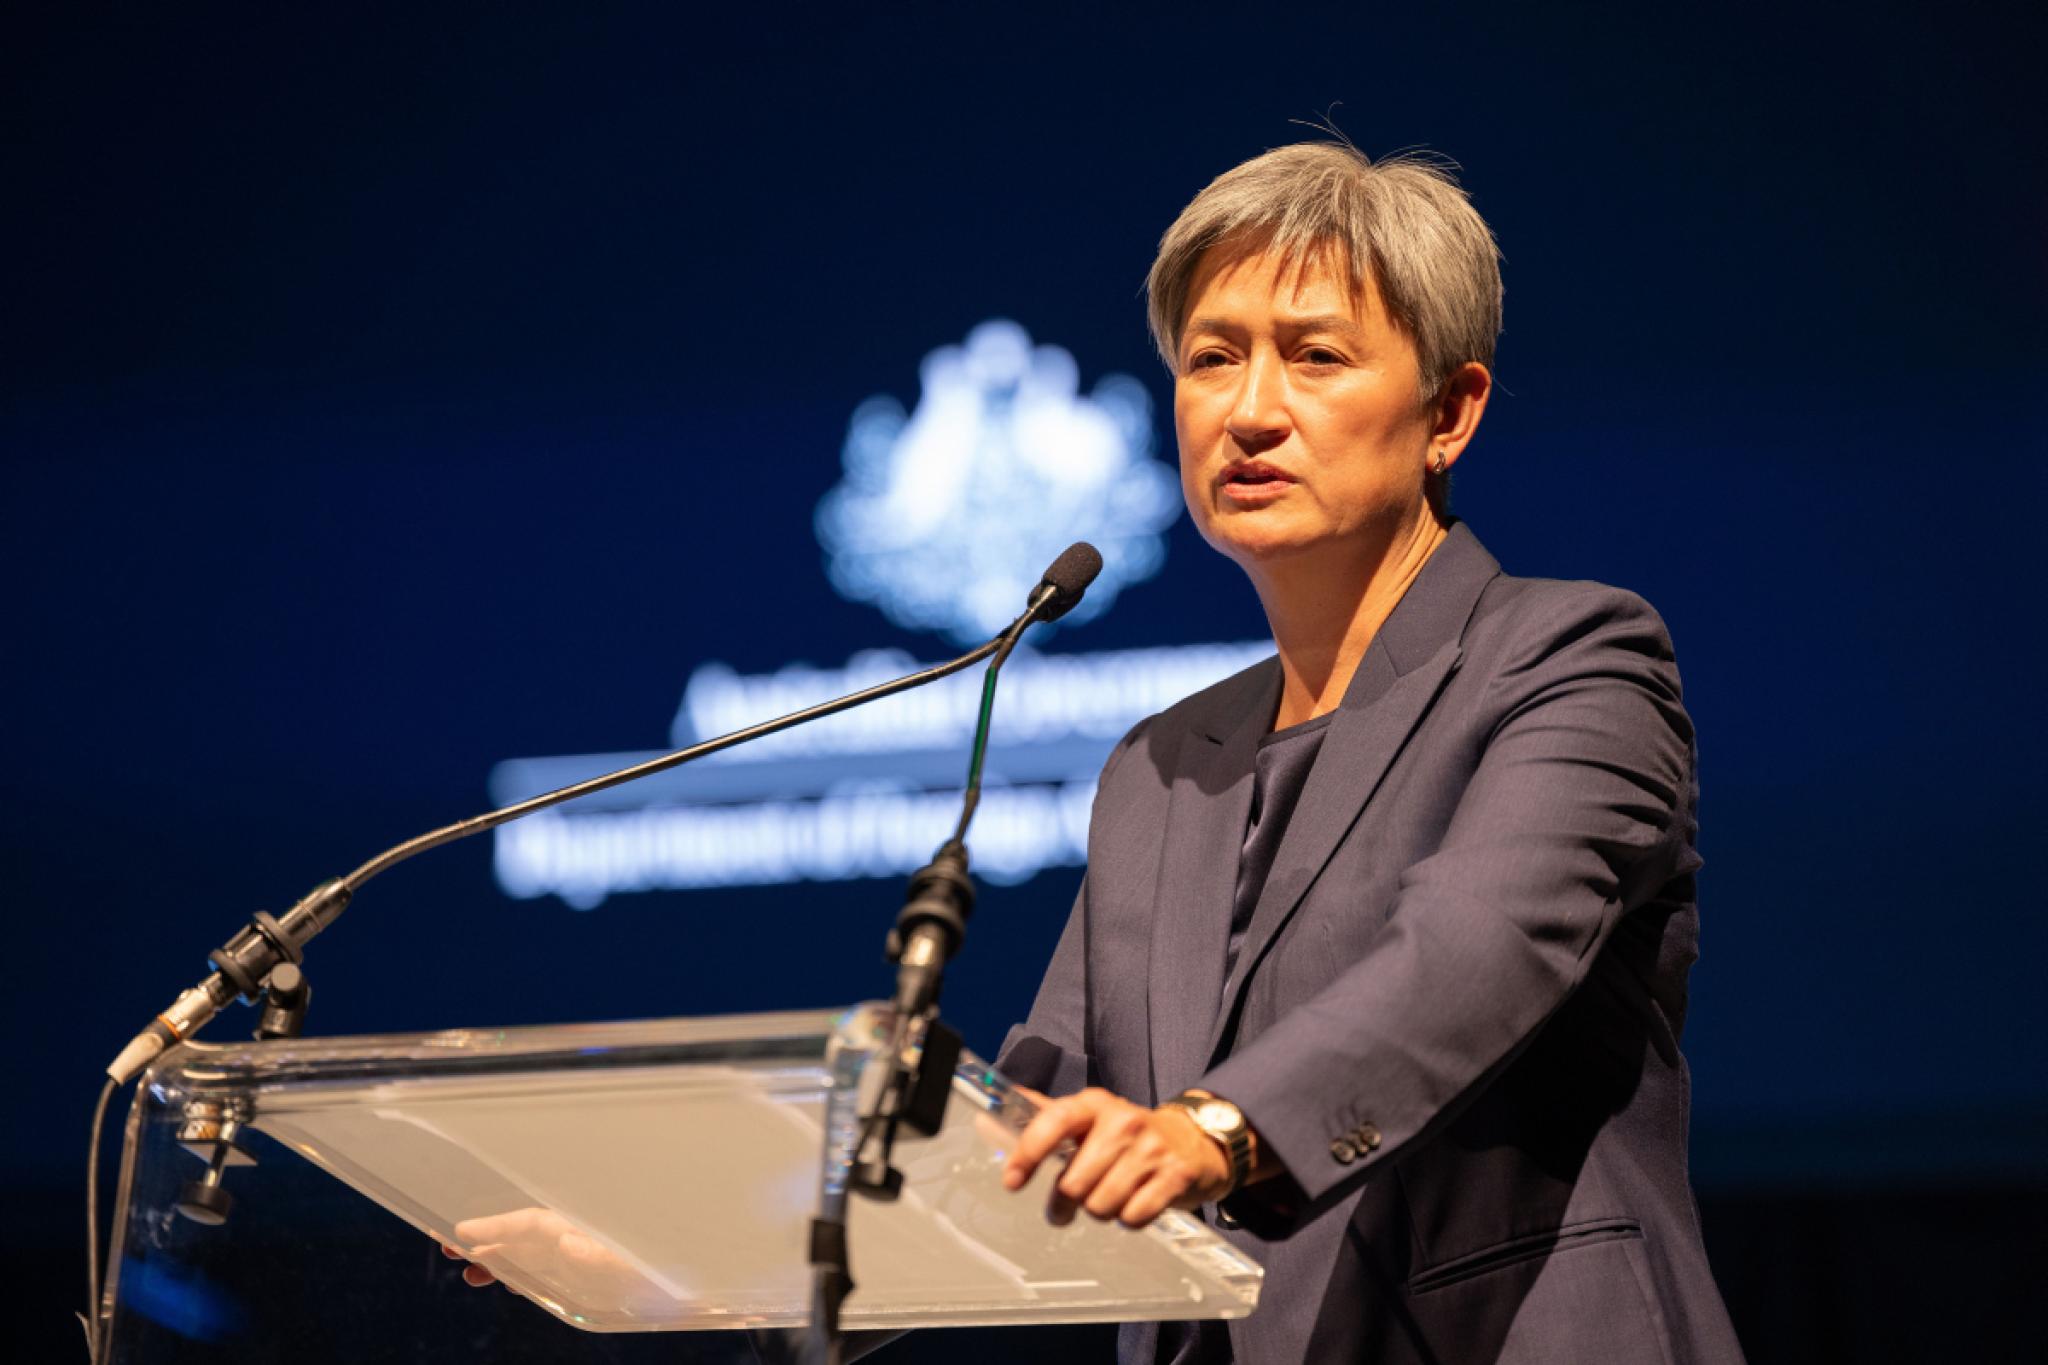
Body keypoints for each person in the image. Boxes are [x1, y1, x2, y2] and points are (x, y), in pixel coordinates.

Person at [989, 140, 1747, 1363]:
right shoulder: (1160, 766)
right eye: (1211, 357)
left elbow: (1474, 953)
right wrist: (726, 1244)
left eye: (1314, 356)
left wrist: (1215, 1131)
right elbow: (1043, 1109)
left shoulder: (1570, 660)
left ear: (1448, 412)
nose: (1246, 411)